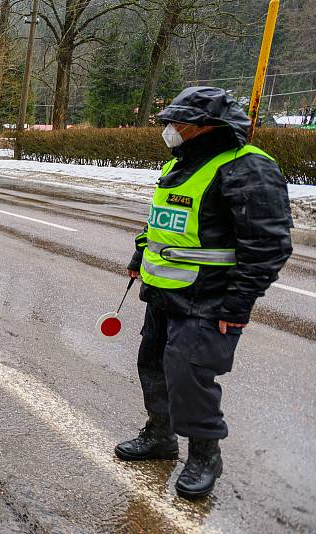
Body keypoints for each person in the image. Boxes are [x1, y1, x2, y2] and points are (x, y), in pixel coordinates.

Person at [115, 87, 292, 499]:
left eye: (178, 123)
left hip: (210, 298)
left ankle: (204, 455)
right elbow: (164, 221)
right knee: (155, 367)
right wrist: (140, 254)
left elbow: (268, 246)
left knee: (190, 376)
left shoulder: (247, 169)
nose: (170, 130)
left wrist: (239, 304)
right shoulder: (182, 165)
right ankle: (160, 436)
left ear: (204, 127)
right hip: (165, 293)